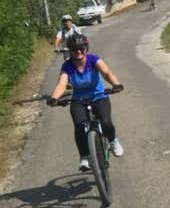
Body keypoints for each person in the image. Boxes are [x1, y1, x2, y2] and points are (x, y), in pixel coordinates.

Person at [47, 34, 124, 171]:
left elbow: (106, 73)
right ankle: (84, 157)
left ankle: (113, 141)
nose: (78, 51)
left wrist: (115, 84)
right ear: (70, 50)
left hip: (99, 96)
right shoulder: (67, 66)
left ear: (86, 48)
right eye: (74, 49)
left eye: (81, 48)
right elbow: (61, 84)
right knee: (79, 126)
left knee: (106, 122)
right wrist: (54, 98)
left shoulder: (93, 59)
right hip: (78, 100)